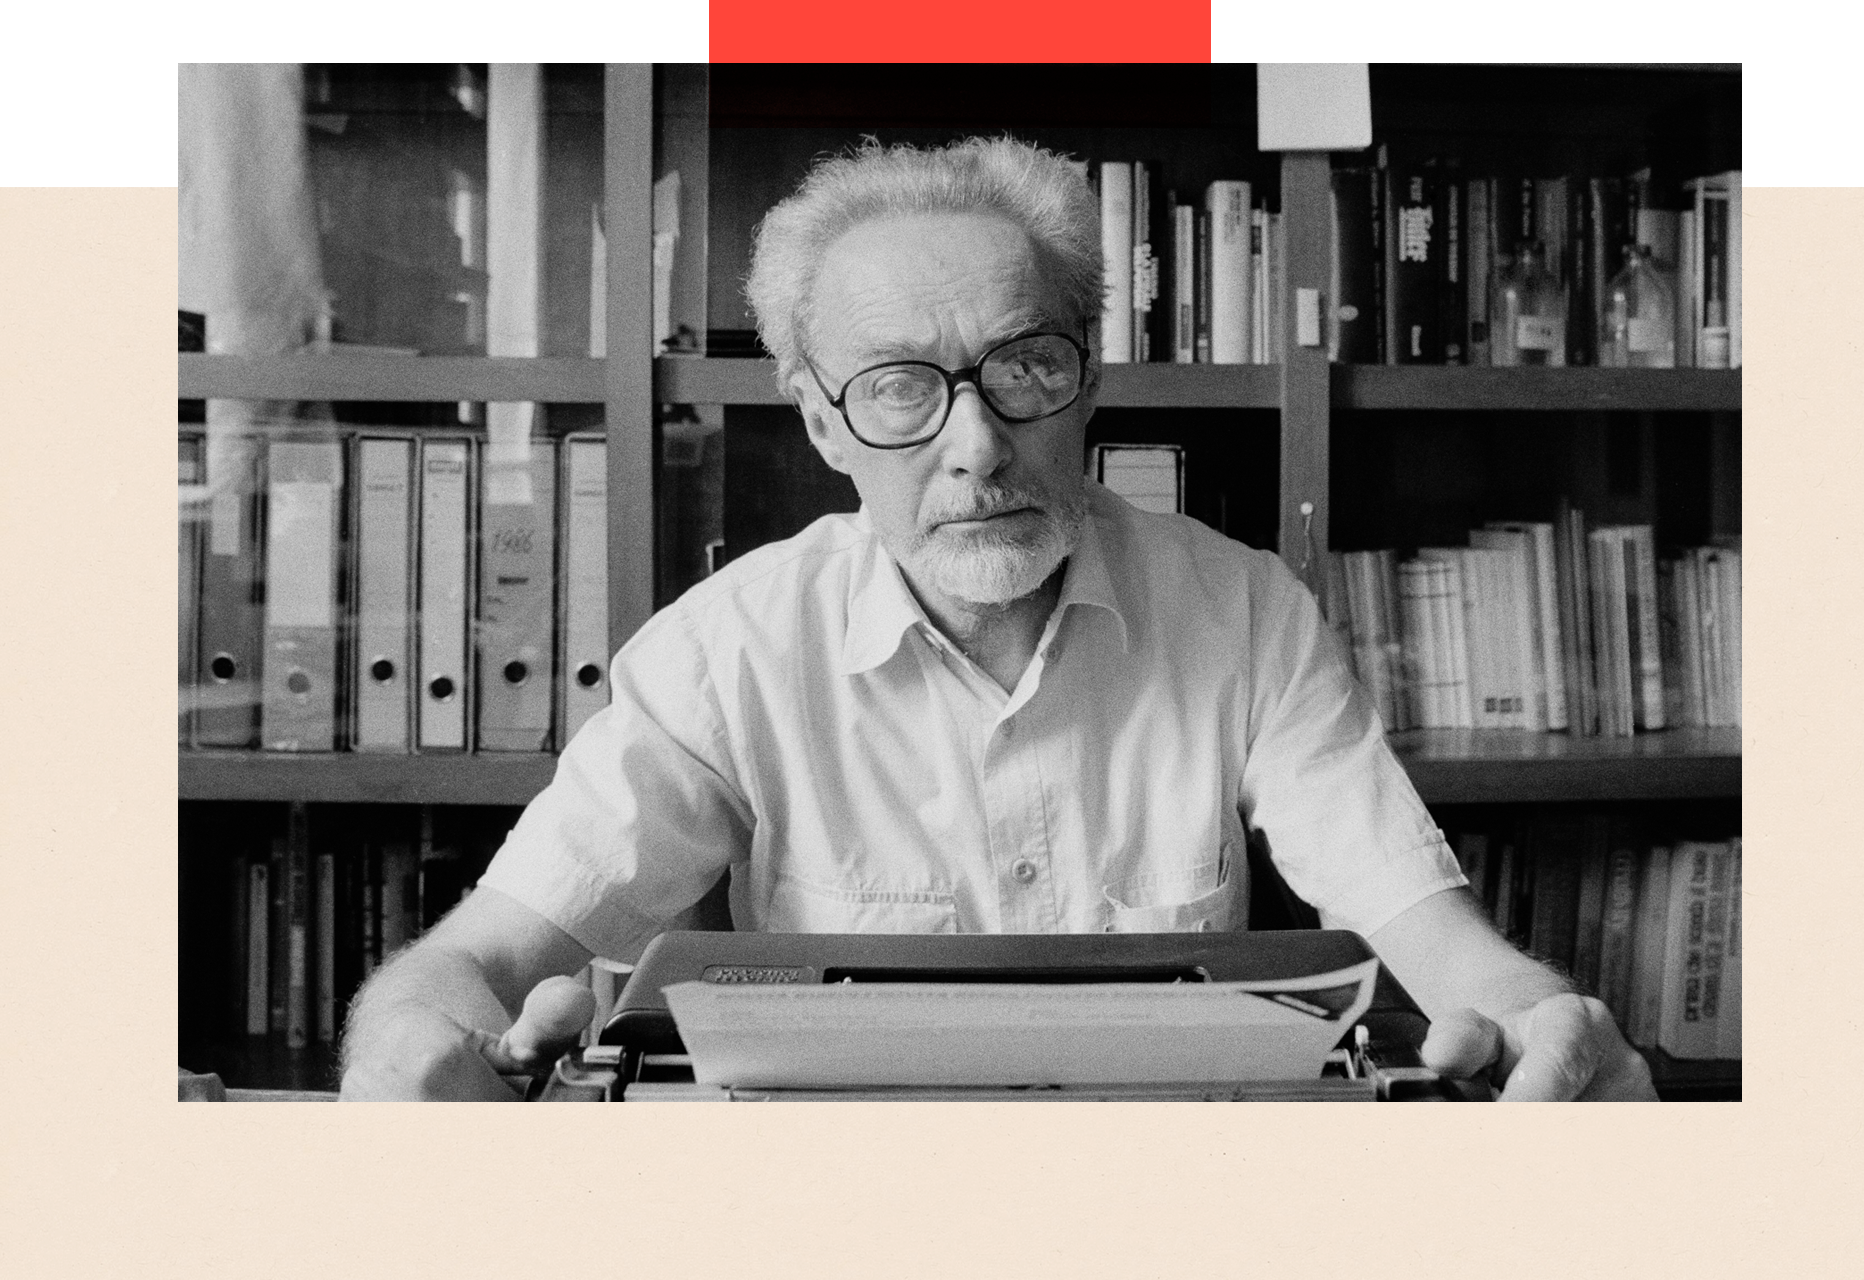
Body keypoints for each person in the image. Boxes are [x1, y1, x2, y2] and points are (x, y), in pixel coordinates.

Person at [340, 136, 1657, 1102]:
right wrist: (414, 1062)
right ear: (820, 424)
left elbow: (1442, 948)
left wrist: (1544, 1021)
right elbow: (467, 972)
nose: (977, 445)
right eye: (902, 390)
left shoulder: (1245, 612)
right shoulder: (723, 652)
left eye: (1025, 368)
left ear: (1088, 386)